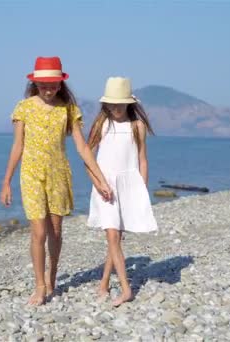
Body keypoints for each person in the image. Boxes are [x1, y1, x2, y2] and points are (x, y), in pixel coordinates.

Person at [0, 56, 113, 305]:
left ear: (60, 84)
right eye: (43, 85)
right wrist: (6, 181)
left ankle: (52, 274)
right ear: (35, 84)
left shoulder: (69, 109)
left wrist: (101, 179)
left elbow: (82, 147)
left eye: (52, 85)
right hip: (31, 174)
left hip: (58, 173)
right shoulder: (24, 108)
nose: (48, 89)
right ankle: (40, 286)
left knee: (56, 231)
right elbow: (17, 146)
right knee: (38, 232)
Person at [85, 76, 158, 307]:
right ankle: (126, 289)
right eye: (111, 104)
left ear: (129, 103)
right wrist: (98, 184)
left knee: (116, 239)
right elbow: (88, 159)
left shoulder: (138, 127)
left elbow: (142, 160)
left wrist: (141, 191)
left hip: (129, 186)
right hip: (104, 186)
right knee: (112, 237)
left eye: (119, 103)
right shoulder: (101, 124)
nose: (115, 108)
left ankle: (104, 283)